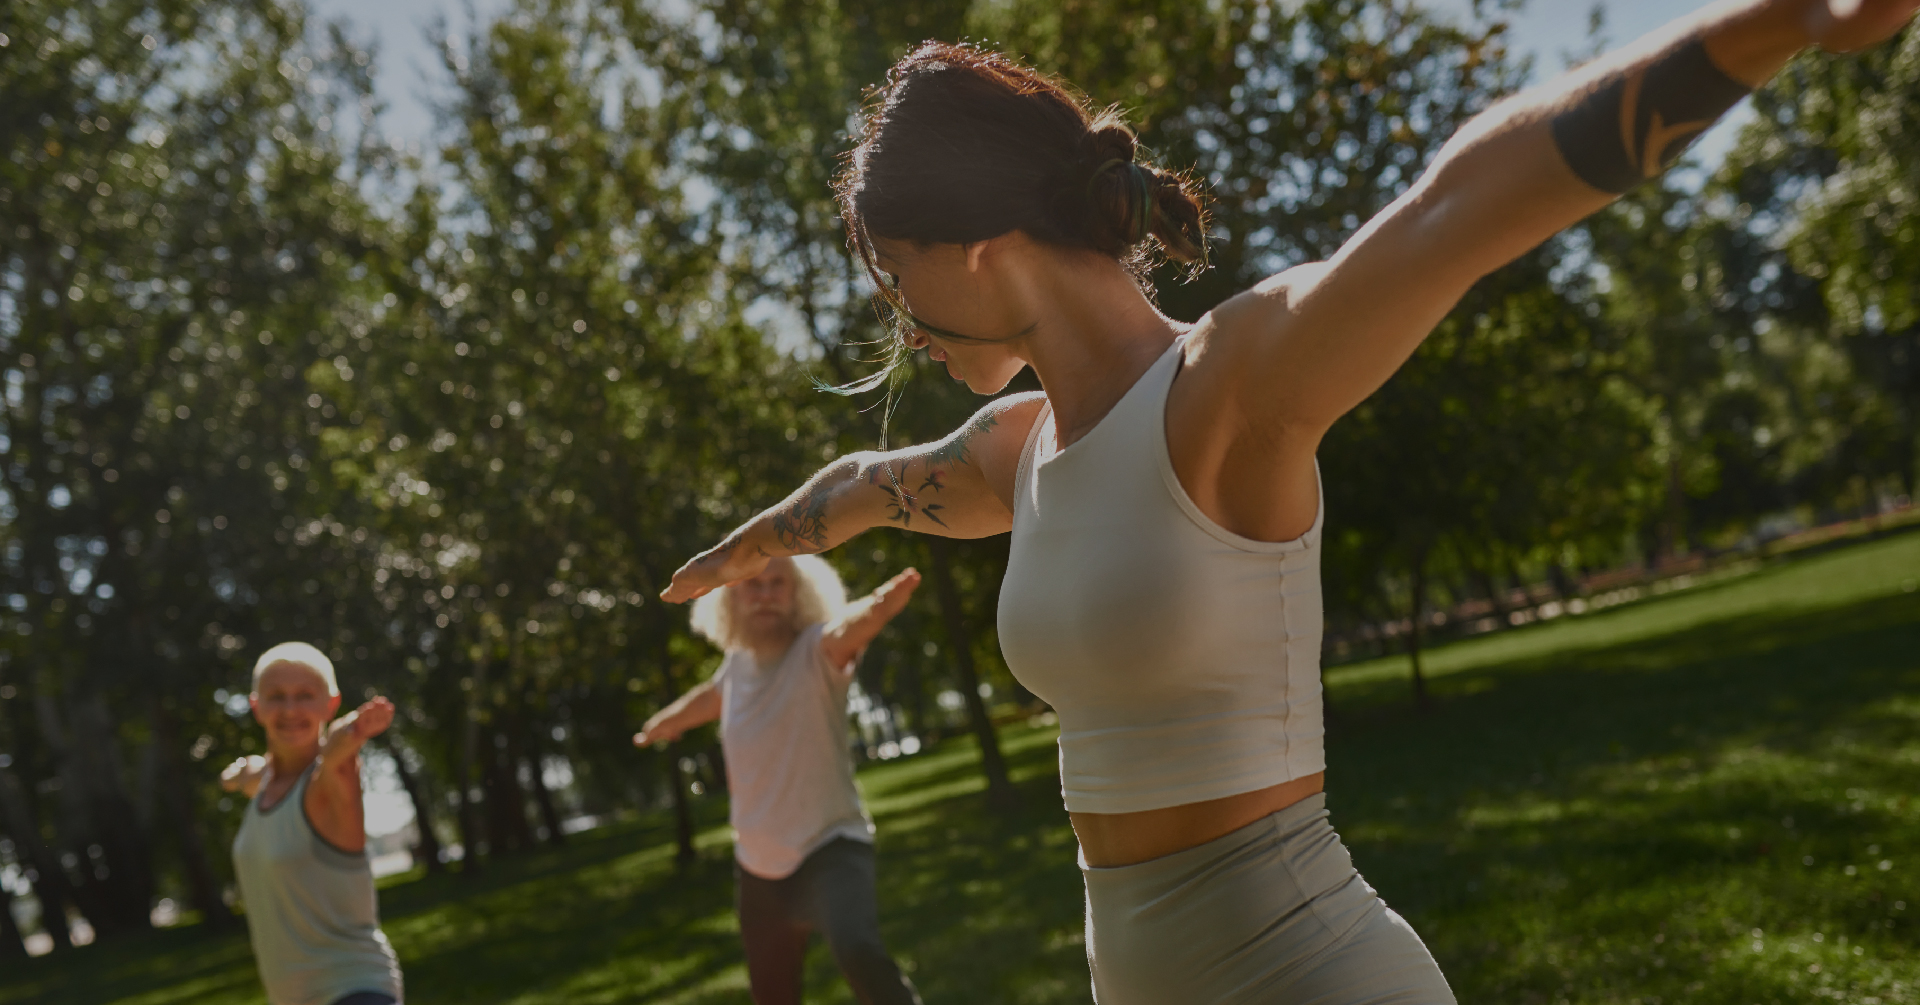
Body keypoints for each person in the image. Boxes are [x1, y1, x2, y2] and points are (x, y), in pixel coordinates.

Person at [657, 2, 1920, 1002]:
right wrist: (761, 538)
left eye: (897, 280)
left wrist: (1771, 22)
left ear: (978, 251)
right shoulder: (1013, 449)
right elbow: (868, 491)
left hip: (1310, 976)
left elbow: (1456, 210)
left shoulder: (1228, 388)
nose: (905, 326)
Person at [636, 557, 926, 1005]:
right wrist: (666, 722)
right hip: (758, 864)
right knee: (772, 994)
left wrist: (879, 607)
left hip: (831, 845)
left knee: (857, 949)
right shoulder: (735, 667)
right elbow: (709, 698)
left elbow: (848, 630)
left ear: (798, 595)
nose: (767, 594)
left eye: (778, 584)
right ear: (731, 596)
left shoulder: (816, 650)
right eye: (754, 584)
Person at [221, 642, 405, 1005]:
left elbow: (337, 750)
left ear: (331, 703)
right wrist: (237, 774)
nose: (291, 709)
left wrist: (356, 728)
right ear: (256, 706)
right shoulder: (265, 785)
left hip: (354, 991)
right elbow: (244, 777)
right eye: (276, 696)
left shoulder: (329, 784)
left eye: (306, 695)